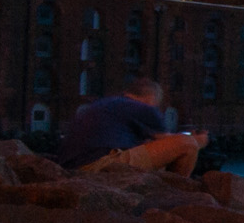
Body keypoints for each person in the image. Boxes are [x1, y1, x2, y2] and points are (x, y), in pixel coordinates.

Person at [55, 76, 204, 177]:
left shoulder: (111, 105)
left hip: (72, 167)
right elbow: (169, 141)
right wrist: (200, 140)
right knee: (188, 144)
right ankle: (175, 196)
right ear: (151, 97)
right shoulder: (141, 107)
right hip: (96, 165)